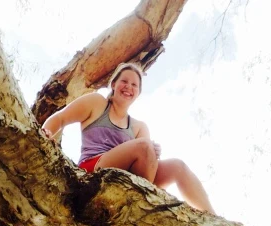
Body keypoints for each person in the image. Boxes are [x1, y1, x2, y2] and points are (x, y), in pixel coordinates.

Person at [41, 62, 214, 214]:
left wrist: (154, 153)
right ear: (113, 84)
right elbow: (60, 118)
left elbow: (147, 166)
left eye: (134, 85)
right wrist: (44, 134)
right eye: (124, 81)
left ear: (138, 93)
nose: (128, 87)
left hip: (128, 181)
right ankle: (142, 206)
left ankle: (215, 221)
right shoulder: (97, 103)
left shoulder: (139, 127)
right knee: (145, 146)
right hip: (93, 170)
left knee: (177, 166)